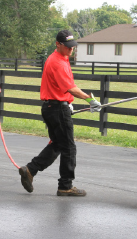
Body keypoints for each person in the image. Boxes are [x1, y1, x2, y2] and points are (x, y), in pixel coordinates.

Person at [19, 30, 101, 196]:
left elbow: (63, 88)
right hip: (57, 109)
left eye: (73, 47)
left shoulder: (58, 58)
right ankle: (65, 186)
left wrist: (67, 102)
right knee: (69, 148)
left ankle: (30, 169)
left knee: (57, 144)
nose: (71, 50)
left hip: (53, 106)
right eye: (68, 47)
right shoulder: (58, 63)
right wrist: (89, 99)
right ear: (58, 44)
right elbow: (69, 87)